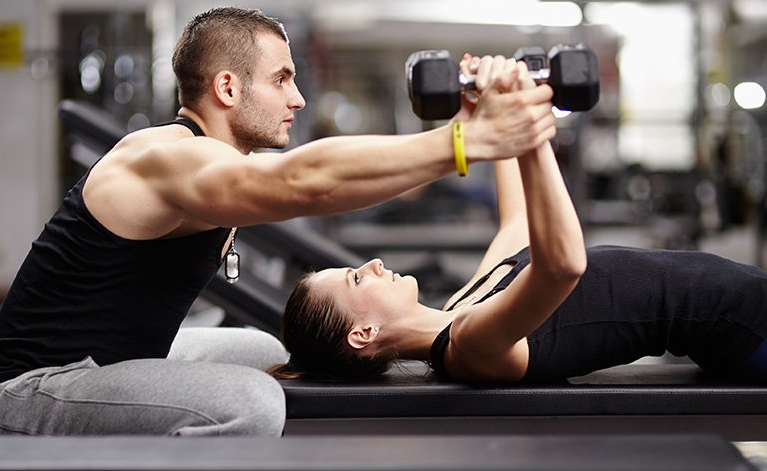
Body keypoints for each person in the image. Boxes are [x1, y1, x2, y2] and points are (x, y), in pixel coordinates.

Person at [0, 7, 557, 436]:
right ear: (227, 86)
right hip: (21, 390)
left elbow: (327, 176)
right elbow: (304, 180)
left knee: (259, 347)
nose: (297, 99)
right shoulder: (164, 157)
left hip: (106, 362)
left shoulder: (211, 159)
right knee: (252, 402)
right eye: (282, 79)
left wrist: (476, 133)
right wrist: (468, 141)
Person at [271, 55, 767, 384]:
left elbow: (519, 224)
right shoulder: (469, 346)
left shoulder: (465, 305)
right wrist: (526, 128)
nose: (374, 263)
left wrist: (482, 118)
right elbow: (561, 266)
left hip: (743, 304)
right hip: (749, 329)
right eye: (356, 278)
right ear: (364, 334)